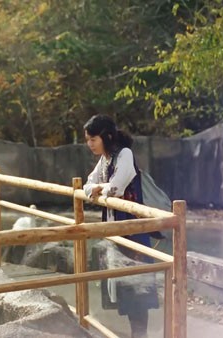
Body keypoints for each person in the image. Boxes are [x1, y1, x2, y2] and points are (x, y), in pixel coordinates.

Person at [82, 114, 158, 338]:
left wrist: (99, 189)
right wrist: (94, 189)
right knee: (124, 289)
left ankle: (140, 335)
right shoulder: (106, 159)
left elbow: (116, 188)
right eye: (88, 140)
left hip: (133, 230)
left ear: (106, 136)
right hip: (116, 229)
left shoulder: (124, 154)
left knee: (137, 287)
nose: (90, 144)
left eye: (93, 139)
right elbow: (88, 184)